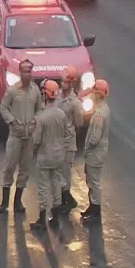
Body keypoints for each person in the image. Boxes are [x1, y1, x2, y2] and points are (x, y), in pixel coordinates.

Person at [0, 59, 42, 214]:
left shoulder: (35, 91)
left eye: (30, 71)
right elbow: (3, 108)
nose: (27, 74)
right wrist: (11, 121)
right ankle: (4, 203)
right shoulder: (12, 91)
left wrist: (34, 122)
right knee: (9, 167)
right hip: (15, 136)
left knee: (25, 168)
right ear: (20, 72)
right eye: (24, 71)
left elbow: (40, 109)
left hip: (28, 137)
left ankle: (18, 201)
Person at [31, 80, 70, 230]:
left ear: (45, 95)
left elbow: (36, 139)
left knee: (43, 185)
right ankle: (56, 214)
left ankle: (42, 218)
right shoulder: (61, 114)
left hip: (45, 155)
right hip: (59, 155)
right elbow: (66, 132)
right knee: (56, 182)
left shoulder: (41, 117)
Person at [54, 66, 84, 213]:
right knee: (58, 170)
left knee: (65, 171)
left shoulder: (75, 103)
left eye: (65, 81)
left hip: (68, 141)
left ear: (72, 83)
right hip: (56, 140)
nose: (62, 83)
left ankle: (67, 200)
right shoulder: (58, 96)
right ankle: (63, 199)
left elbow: (79, 122)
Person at [80, 79, 110, 223]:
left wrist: (87, 148)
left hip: (95, 153)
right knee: (91, 180)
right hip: (98, 152)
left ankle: (95, 209)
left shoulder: (99, 115)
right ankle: (92, 207)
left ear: (98, 94)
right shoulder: (103, 109)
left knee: (93, 182)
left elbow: (94, 138)